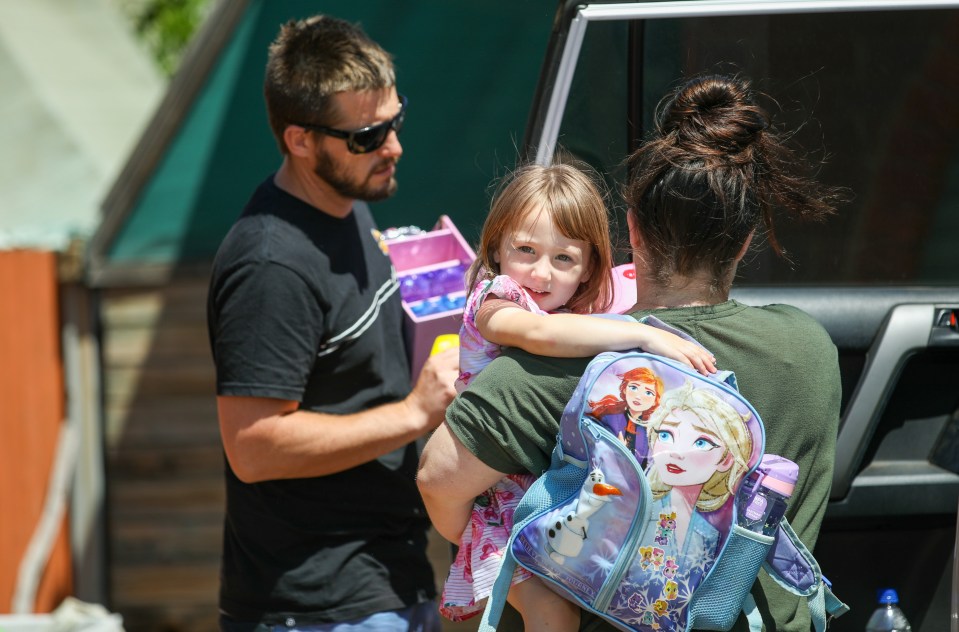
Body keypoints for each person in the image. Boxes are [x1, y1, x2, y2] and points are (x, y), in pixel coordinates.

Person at [417, 73, 843, 631]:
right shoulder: (811, 348)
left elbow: (437, 478)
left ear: (633, 232)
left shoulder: (558, 370)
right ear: (742, 241)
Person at [206, 15, 459, 632]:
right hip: (316, 604)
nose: (393, 147)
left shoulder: (344, 213)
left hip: (385, 578)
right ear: (299, 140)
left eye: (395, 122)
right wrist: (413, 413)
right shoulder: (271, 264)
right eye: (367, 136)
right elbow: (253, 446)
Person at [438, 163, 716, 630]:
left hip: (558, 492)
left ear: (589, 266)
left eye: (563, 258)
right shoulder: (498, 298)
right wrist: (643, 337)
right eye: (525, 250)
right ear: (496, 249)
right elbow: (538, 333)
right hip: (502, 498)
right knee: (553, 614)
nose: (540, 272)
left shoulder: (576, 313)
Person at [587, 366, 665, 464]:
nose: (638, 396)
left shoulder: (649, 431)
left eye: (648, 393)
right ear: (624, 389)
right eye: (633, 387)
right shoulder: (610, 418)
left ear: (655, 401)